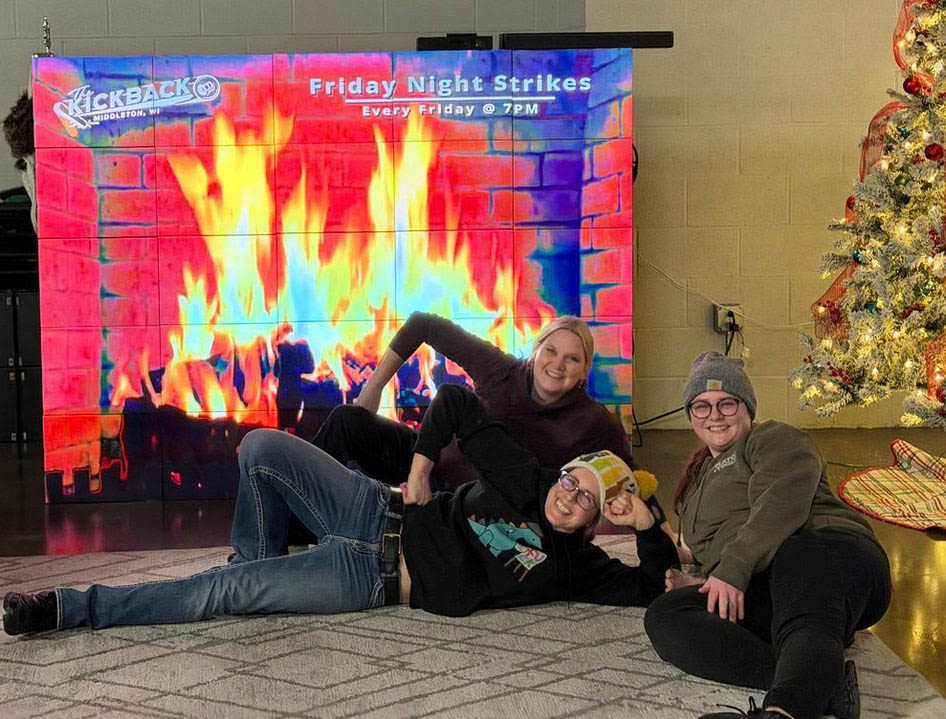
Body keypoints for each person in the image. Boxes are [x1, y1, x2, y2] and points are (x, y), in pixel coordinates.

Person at [3, 384, 676, 634]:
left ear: (595, 520)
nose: (570, 492)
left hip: (375, 580)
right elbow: (455, 403)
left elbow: (652, 586)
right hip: (374, 508)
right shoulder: (524, 476)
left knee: (221, 591)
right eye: (573, 479)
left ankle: (68, 606)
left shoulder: (578, 566)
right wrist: (417, 466)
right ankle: (255, 570)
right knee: (262, 445)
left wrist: (644, 521)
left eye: (587, 496)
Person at [642, 352, 891, 719]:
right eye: (701, 406)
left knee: (800, 577)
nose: (714, 415)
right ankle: (821, 679)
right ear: (690, 415)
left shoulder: (773, 438)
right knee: (665, 616)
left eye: (726, 403)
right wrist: (698, 576)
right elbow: (705, 546)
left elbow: (781, 501)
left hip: (825, 550)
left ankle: (785, 708)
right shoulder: (700, 478)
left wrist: (731, 569)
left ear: (747, 407)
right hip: (764, 580)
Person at [312, 311, 636, 494]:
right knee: (347, 420)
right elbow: (422, 325)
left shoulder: (592, 420)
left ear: (584, 371)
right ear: (536, 351)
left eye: (572, 358)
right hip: (426, 463)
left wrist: (656, 531)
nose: (558, 364)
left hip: (474, 507)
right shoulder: (502, 370)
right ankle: (287, 506)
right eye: (550, 351)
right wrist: (373, 389)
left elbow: (629, 478)